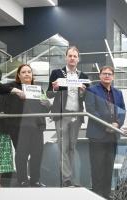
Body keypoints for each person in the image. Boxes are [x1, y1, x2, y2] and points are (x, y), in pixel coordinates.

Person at [0, 64, 50, 187]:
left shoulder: (38, 89)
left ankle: (35, 180)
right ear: (19, 75)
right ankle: (23, 180)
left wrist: (47, 104)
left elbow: (45, 109)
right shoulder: (13, 86)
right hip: (19, 127)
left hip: (37, 126)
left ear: (32, 75)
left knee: (37, 154)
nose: (26, 74)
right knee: (21, 154)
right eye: (23, 72)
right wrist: (16, 91)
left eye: (29, 72)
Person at [46, 46, 89, 187]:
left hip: (77, 115)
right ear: (66, 57)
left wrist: (83, 92)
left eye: (75, 56)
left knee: (72, 147)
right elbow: (48, 94)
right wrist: (54, 88)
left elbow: (87, 98)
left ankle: (72, 178)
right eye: (70, 55)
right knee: (63, 147)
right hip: (61, 115)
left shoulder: (83, 76)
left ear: (78, 59)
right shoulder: (56, 73)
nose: (72, 58)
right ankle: (67, 179)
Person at [85, 66, 126, 199]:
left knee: (109, 169)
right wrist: (106, 125)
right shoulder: (92, 90)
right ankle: (97, 196)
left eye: (109, 74)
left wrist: (117, 124)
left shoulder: (118, 93)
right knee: (97, 169)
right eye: (104, 74)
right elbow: (91, 110)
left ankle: (107, 195)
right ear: (100, 75)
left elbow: (122, 111)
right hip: (97, 135)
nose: (107, 76)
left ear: (113, 76)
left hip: (112, 136)